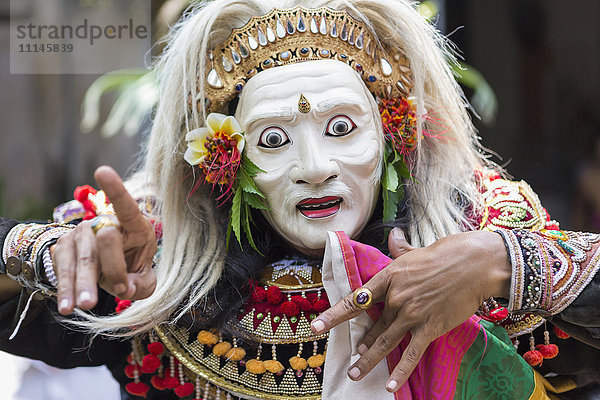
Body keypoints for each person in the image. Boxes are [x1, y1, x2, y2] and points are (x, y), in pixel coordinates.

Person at [1, 0, 599, 399]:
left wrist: (501, 263)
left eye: (342, 129)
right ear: (228, 165)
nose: (315, 168)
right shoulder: (162, 282)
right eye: (273, 140)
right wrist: (42, 256)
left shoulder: (488, 241)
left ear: (392, 136)